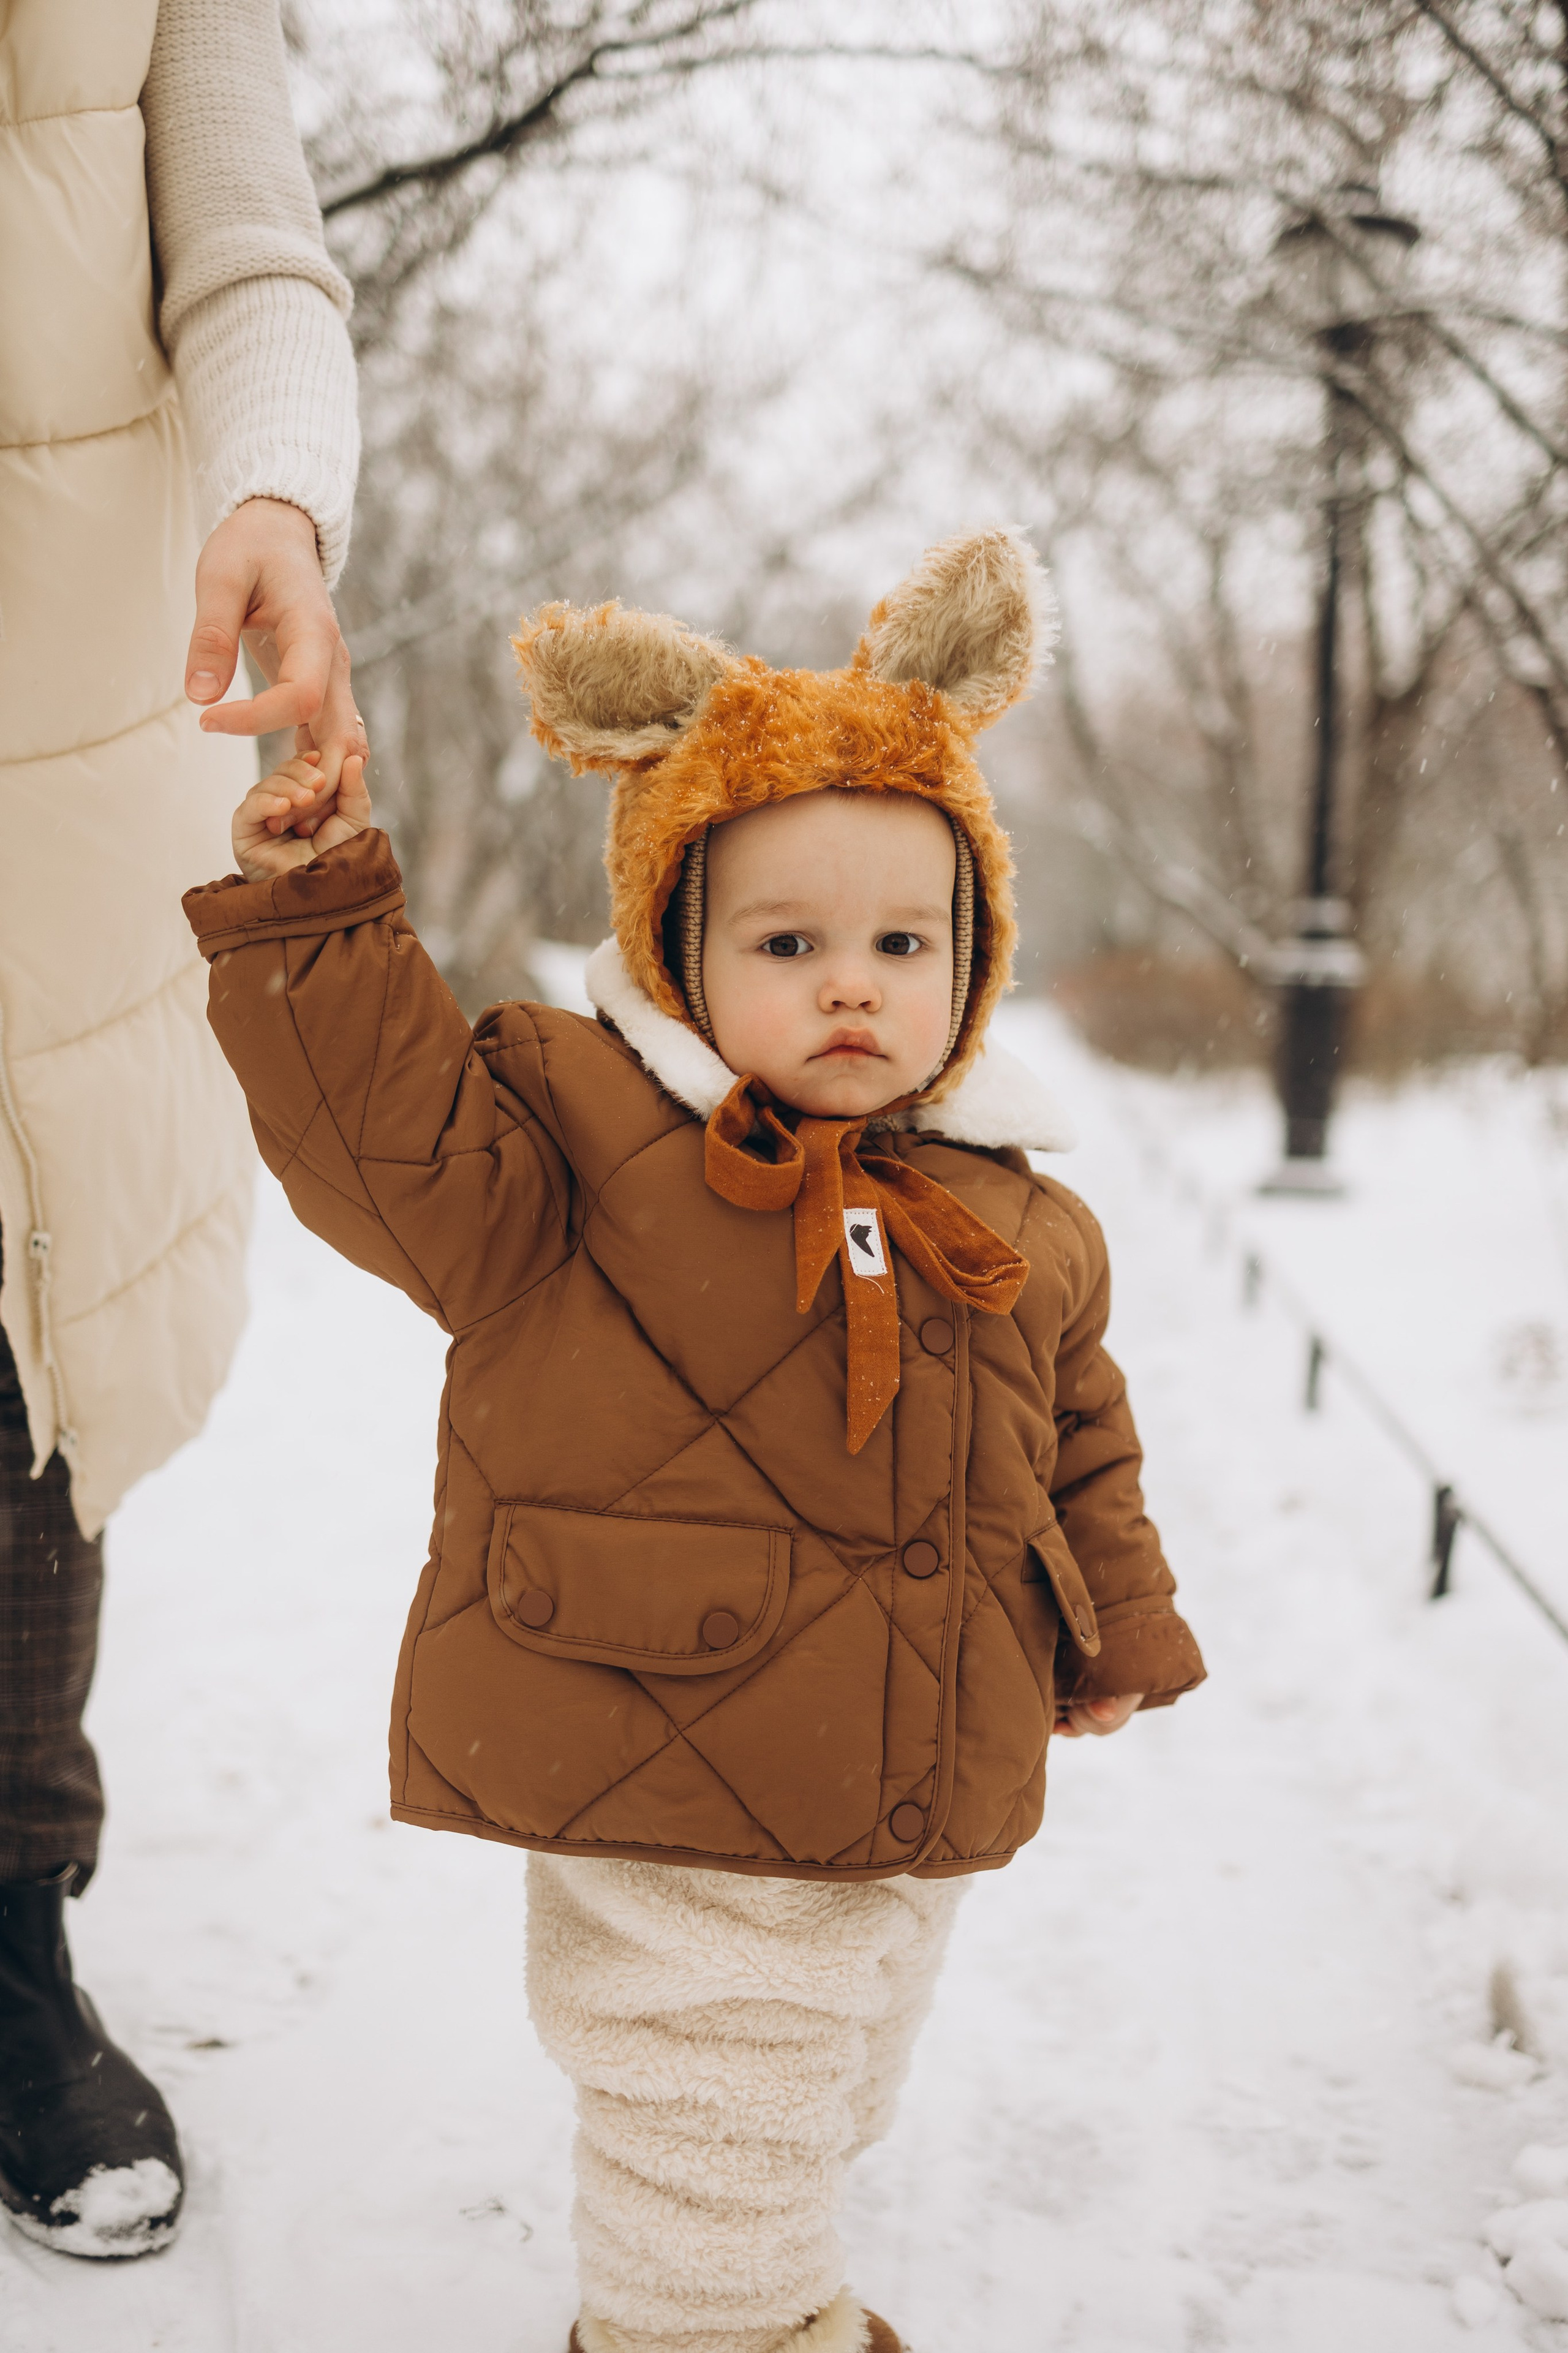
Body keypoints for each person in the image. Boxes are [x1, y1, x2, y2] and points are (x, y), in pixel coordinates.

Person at [183, 527, 1205, 2353]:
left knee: (823, 2080)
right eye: (787, 941)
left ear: (974, 958)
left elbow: (1079, 1426)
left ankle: (741, 2287)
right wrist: (326, 905)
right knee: (706, 2120)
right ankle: (706, 2332)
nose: (850, 984)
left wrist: (1116, 1614)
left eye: (904, 940)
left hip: (906, 1782)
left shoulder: (1015, 1206)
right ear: (677, 944)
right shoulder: (573, 1141)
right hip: (670, 1741)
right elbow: (382, 1134)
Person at [0, 0, 360, 2259]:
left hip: (67, 730)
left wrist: (275, 485)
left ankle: (10, 1926)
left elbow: (244, 232)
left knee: (43, 1344)